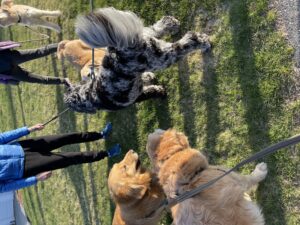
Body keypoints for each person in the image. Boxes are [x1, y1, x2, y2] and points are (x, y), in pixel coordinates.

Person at [0, 122, 121, 193]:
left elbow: (3, 138)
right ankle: (106, 154)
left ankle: (100, 135)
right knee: (68, 159)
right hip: (27, 167)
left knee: (65, 137)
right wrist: (36, 179)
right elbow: (6, 187)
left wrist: (28, 129)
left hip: (24, 147)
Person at [0, 43, 70, 86]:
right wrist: (6, 82)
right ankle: (64, 81)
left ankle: (67, 45)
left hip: (9, 56)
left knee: (40, 52)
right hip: (10, 73)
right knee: (40, 80)